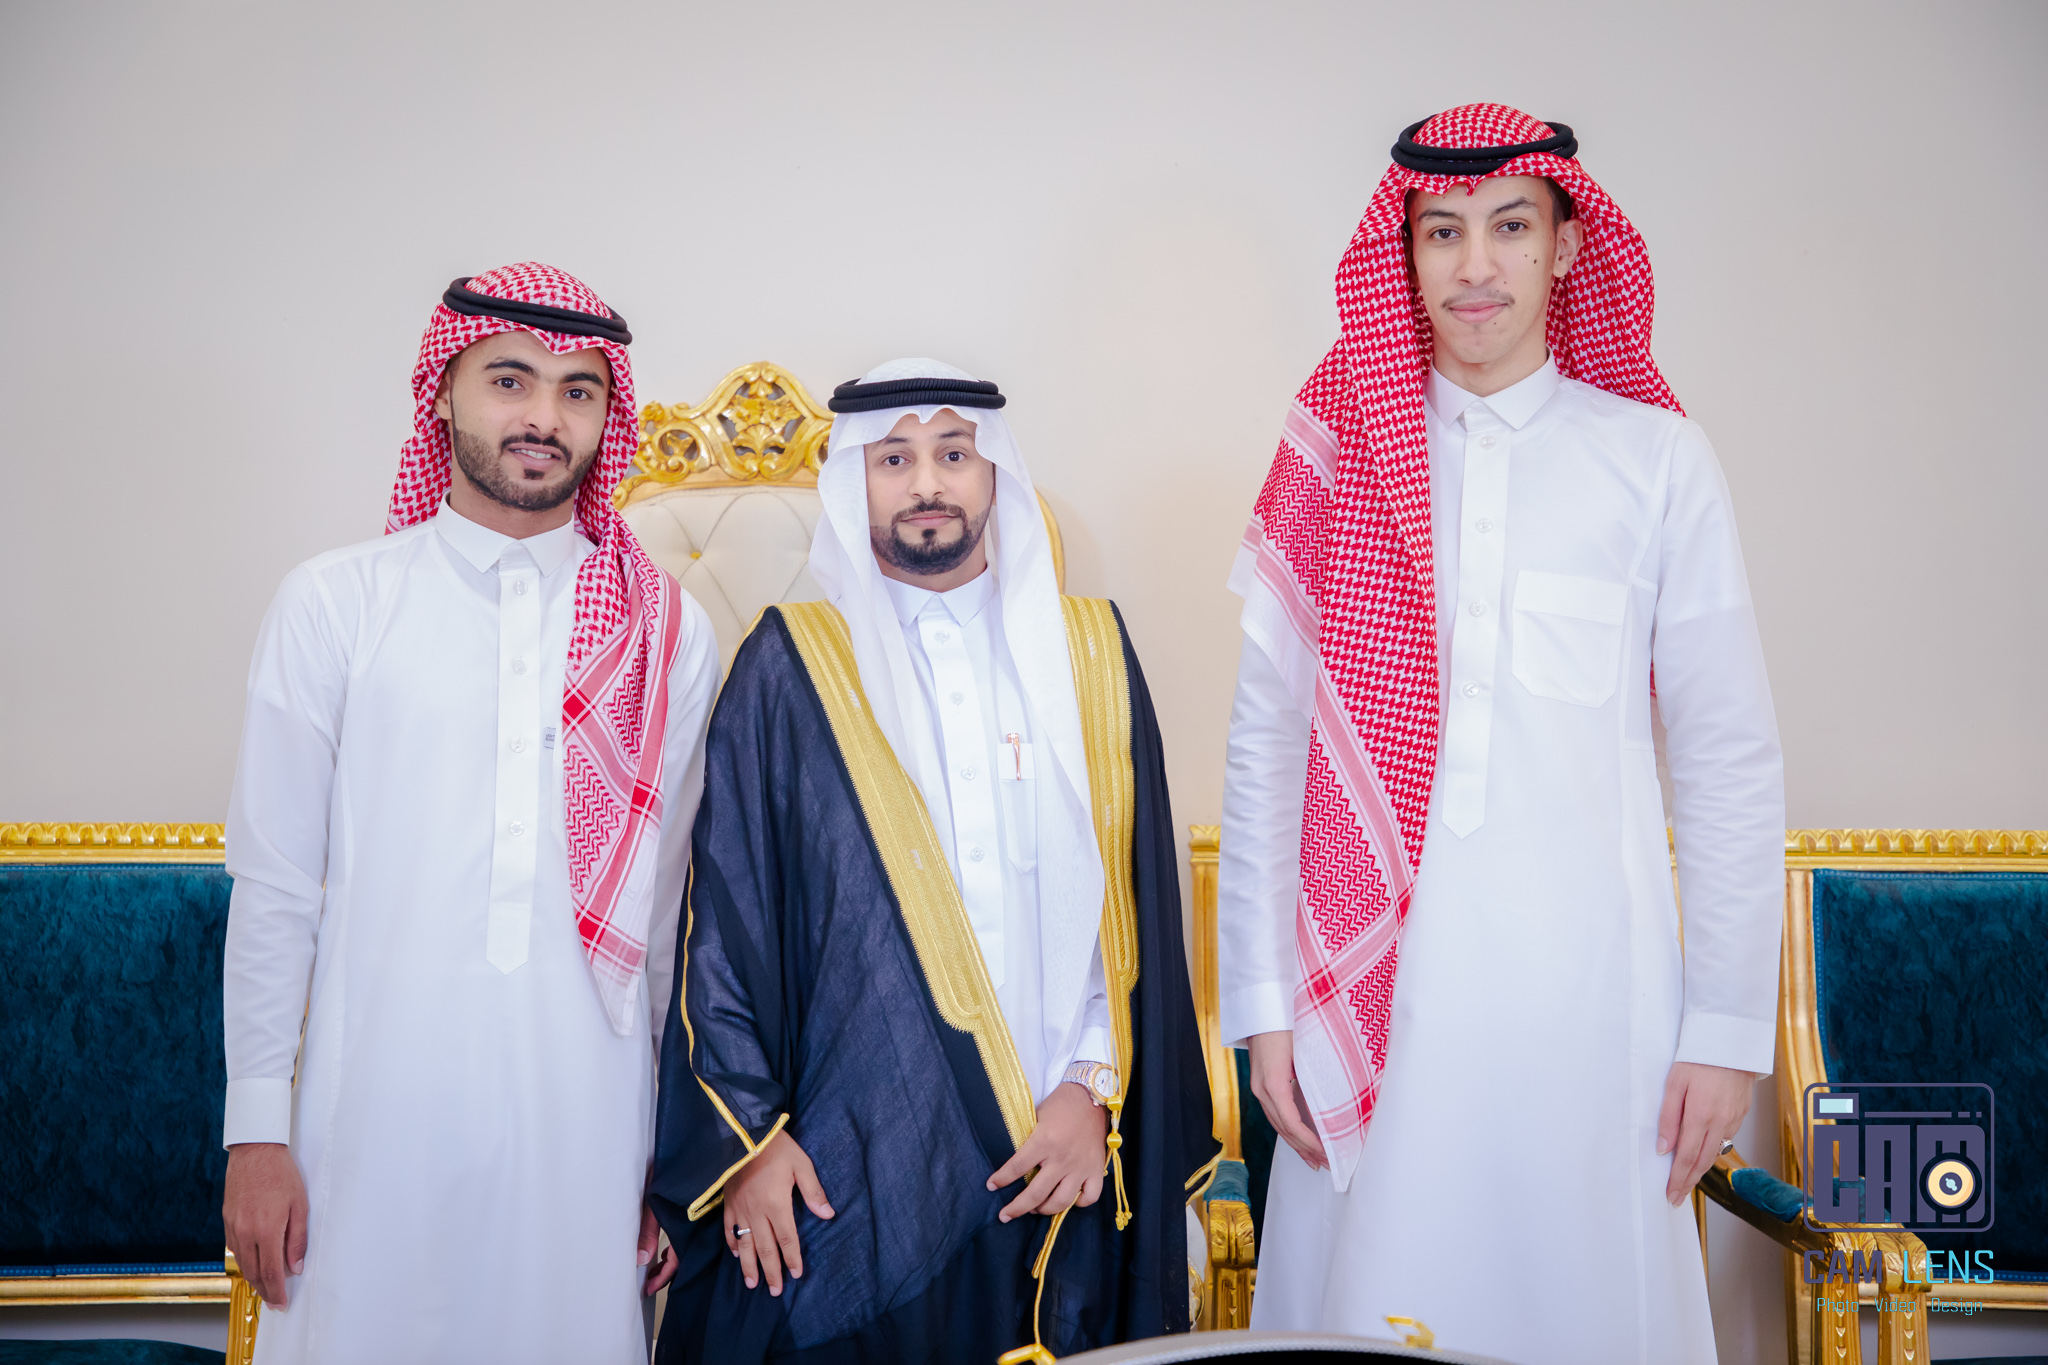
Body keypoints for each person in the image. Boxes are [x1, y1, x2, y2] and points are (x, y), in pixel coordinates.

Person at [1218, 106, 1783, 1363]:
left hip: (1590, 1007)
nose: (1474, 266)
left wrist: (1725, 1030)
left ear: (1565, 246)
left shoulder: (1656, 461)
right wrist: (1262, 1005)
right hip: (1370, 996)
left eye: (1509, 228)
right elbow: (1265, 744)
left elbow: (1727, 755)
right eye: (1441, 232)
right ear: (1405, 253)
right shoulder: (1335, 460)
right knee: (1364, 1312)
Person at [647, 359, 1215, 1363]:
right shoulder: (790, 666)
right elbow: (722, 921)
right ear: (852, 483)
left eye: (953, 454)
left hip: (1063, 1141)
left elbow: (1129, 912)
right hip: (851, 1153)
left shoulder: (1089, 655)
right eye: (893, 459)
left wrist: (1093, 1090)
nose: (926, 484)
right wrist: (749, 1143)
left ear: (995, 472)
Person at [218, 263, 720, 1364]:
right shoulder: (335, 603)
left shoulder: (668, 631)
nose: (544, 416)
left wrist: (668, 1161)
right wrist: (255, 1133)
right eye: (509, 379)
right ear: (443, 391)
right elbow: (275, 885)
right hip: (367, 1115)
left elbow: (671, 917)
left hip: (586, 1125)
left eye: (579, 390)